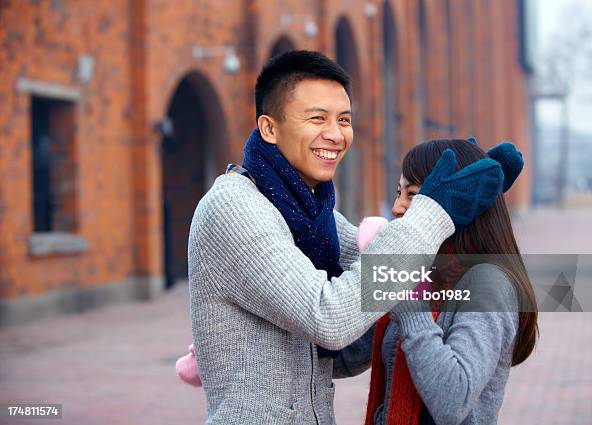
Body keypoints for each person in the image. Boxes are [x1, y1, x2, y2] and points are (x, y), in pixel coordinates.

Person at [187, 50, 505, 424]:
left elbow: (367, 310)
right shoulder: (235, 208)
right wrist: (433, 212)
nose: (335, 135)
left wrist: (477, 219)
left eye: (343, 119)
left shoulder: (312, 214)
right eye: (317, 118)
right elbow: (330, 317)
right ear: (269, 128)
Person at [333, 139, 538, 425]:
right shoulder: (425, 272)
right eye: (398, 192)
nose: (396, 207)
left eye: (413, 195)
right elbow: (346, 355)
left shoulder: (487, 283)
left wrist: (410, 304)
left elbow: (453, 399)